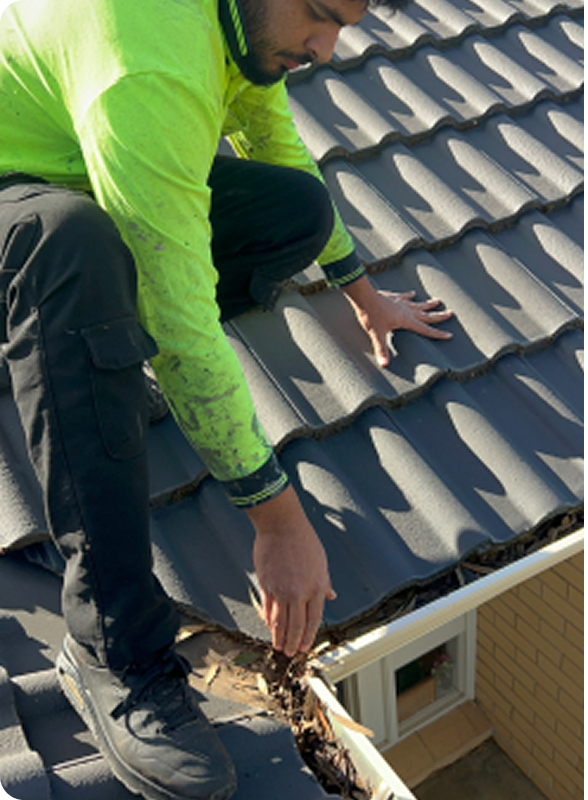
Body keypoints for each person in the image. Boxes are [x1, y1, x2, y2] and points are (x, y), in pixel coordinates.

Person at [0, 0, 453, 798]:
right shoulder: (148, 63)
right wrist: (277, 520)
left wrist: (361, 292)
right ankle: (112, 646)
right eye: (319, 14)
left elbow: (276, 146)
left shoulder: (242, 25)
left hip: (78, 161)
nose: (326, 47)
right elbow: (182, 321)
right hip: (19, 199)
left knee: (295, 210)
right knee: (71, 243)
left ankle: (97, 348)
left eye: (344, 25)